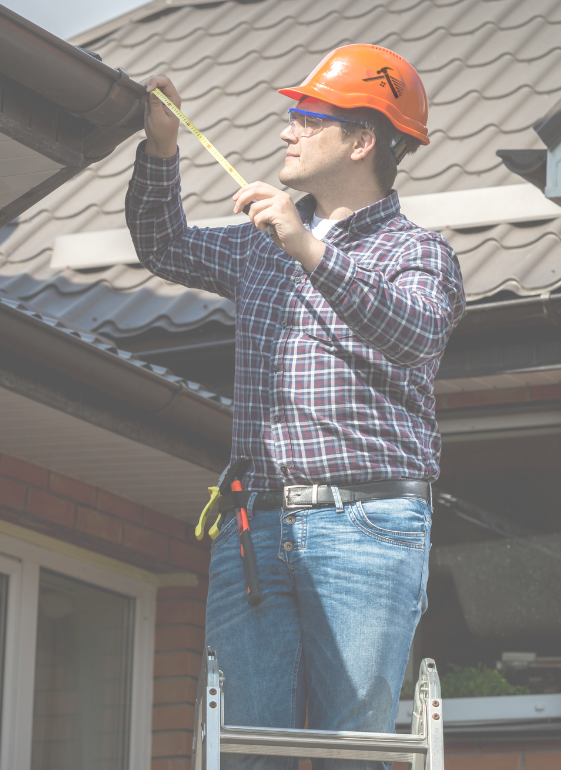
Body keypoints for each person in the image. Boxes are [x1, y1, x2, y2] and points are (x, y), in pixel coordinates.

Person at [126, 44, 465, 770]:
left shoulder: (418, 253)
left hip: (369, 524)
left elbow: (414, 333)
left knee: (353, 751)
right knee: (250, 752)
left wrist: (308, 247)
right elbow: (162, 243)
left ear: (362, 139)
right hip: (258, 520)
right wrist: (160, 149)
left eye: (308, 116)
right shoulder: (262, 245)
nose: (287, 129)